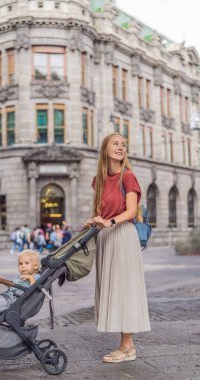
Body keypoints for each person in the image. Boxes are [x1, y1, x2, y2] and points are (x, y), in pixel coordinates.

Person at [85, 132, 151, 363]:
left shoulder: (128, 176)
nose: (120, 147)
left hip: (123, 235)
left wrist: (109, 222)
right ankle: (124, 345)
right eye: (115, 143)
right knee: (112, 290)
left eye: (123, 144)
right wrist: (95, 219)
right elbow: (102, 211)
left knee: (124, 289)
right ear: (105, 149)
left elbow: (131, 211)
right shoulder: (99, 180)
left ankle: (127, 347)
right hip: (106, 238)